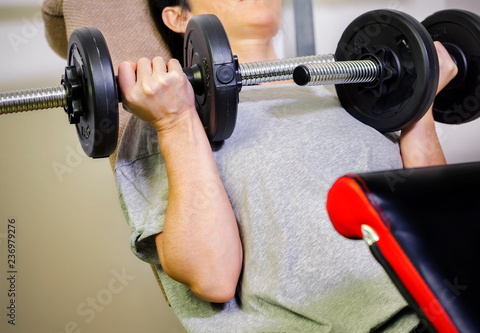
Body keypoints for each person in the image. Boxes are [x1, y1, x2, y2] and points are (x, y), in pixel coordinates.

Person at [115, 0, 458, 331]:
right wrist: (175, 123)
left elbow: (440, 224)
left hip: (456, 307)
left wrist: (422, 99)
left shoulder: (353, 88)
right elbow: (212, 278)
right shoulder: (170, 112)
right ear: (178, 17)